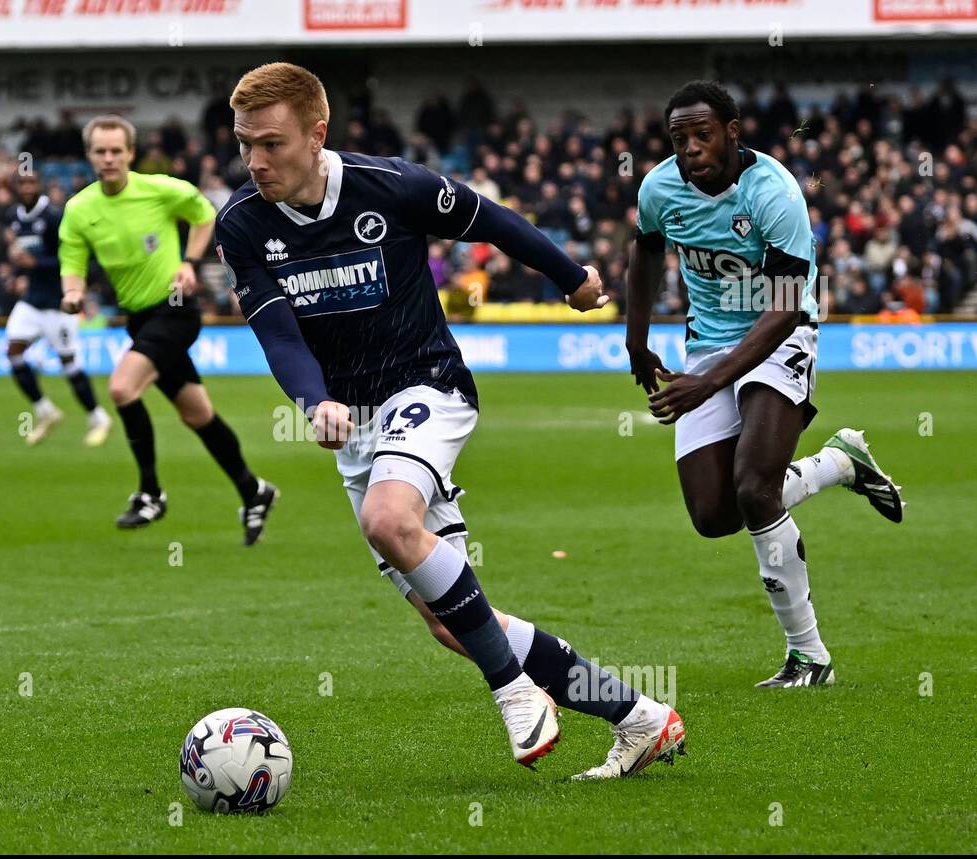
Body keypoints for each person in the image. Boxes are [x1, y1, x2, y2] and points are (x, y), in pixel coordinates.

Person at [216, 62, 685, 779]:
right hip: (357, 424)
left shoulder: (392, 185)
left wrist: (571, 278)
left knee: (387, 519)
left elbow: (490, 220)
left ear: (317, 134)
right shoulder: (242, 225)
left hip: (427, 387)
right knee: (452, 621)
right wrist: (317, 402)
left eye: (271, 143)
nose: (255, 160)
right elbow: (279, 333)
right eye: (245, 142)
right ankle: (641, 717)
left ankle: (513, 692)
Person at [626, 81, 904, 689]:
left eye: (703, 134)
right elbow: (644, 253)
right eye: (679, 138)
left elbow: (782, 308)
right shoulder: (658, 188)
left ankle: (809, 656)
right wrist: (636, 337)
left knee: (755, 488)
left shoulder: (774, 192)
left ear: (732, 130)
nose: (691, 148)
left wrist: (709, 383)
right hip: (708, 346)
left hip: (781, 337)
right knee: (712, 514)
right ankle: (837, 464)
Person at [59, 116, 278, 544]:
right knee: (198, 415)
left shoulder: (159, 189)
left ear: (130, 154)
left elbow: (203, 214)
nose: (108, 159)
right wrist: (71, 293)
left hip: (175, 310)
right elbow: (72, 261)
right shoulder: (80, 209)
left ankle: (150, 493)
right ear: (89, 156)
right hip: (139, 320)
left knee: (122, 389)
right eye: (100, 151)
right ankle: (254, 491)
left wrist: (189, 263)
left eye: (116, 151)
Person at [4, 171, 112, 447]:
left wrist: (34, 265)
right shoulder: (15, 217)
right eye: (22, 184)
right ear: (15, 188)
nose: (27, 188)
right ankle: (45, 411)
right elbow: (26, 256)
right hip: (31, 301)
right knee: (13, 351)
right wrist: (17, 269)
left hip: (59, 302)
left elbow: (74, 259)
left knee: (69, 364)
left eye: (31, 182)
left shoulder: (53, 217)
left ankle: (98, 417)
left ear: (38, 186)